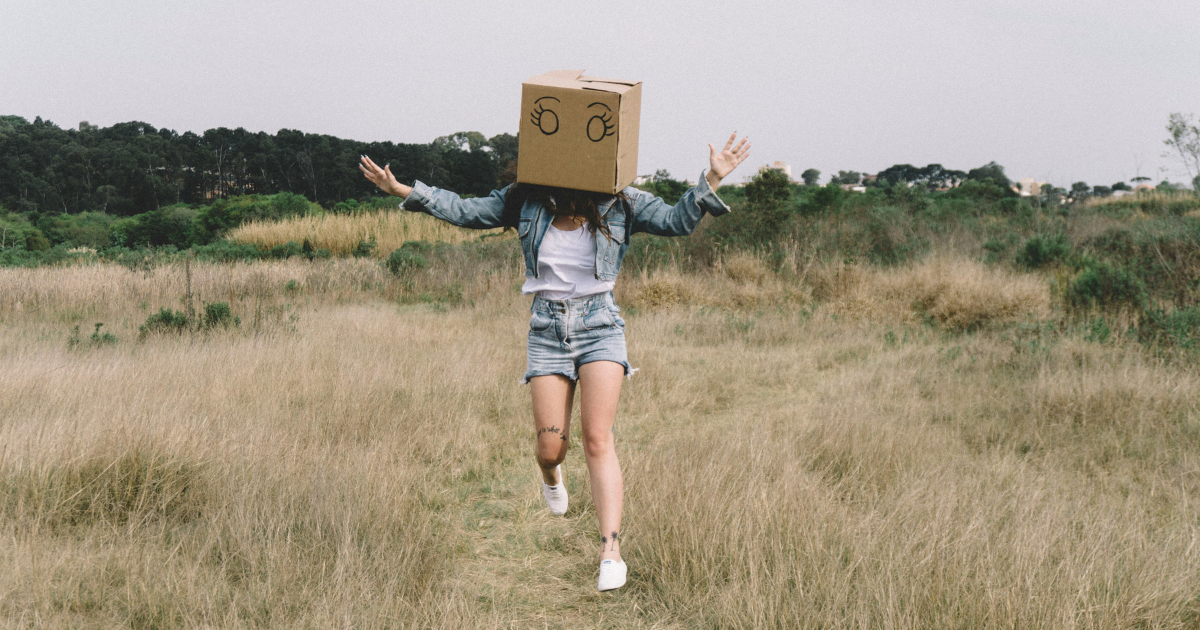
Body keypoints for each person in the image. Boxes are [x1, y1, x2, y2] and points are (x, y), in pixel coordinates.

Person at [359, 132, 749, 591]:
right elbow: (466, 211)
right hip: (546, 329)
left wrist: (712, 179)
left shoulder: (621, 202)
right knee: (551, 448)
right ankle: (551, 474)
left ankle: (610, 553)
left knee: (597, 438)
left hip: (601, 324)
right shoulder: (526, 200)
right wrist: (405, 190)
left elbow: (677, 221)